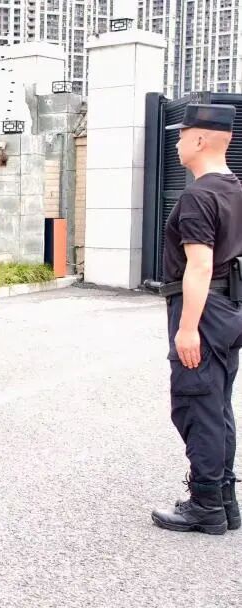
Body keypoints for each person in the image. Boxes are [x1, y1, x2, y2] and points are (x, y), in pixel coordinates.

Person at [151, 103, 242, 535]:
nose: (177, 142)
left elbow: (200, 265)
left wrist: (187, 328)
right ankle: (224, 499)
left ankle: (206, 504)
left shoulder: (198, 195)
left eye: (182, 134)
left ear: (201, 139)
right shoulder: (234, 188)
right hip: (228, 309)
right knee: (217, 404)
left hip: (203, 310)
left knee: (196, 404)